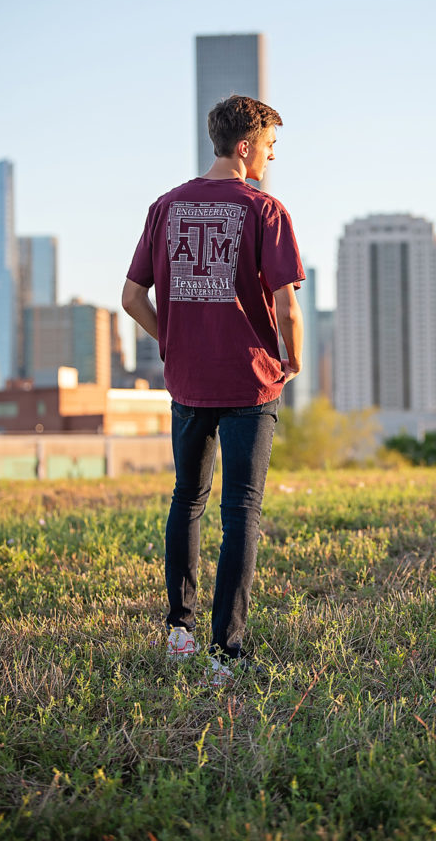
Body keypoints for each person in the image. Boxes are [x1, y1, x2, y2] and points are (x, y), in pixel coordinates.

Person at [122, 95, 304, 681]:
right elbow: (286, 306)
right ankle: (226, 652)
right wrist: (291, 360)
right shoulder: (264, 209)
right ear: (246, 146)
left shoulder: (164, 207)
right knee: (241, 509)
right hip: (250, 380)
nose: (272, 158)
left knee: (187, 499)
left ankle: (180, 628)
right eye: (270, 147)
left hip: (188, 380)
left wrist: (170, 340)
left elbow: (131, 299)